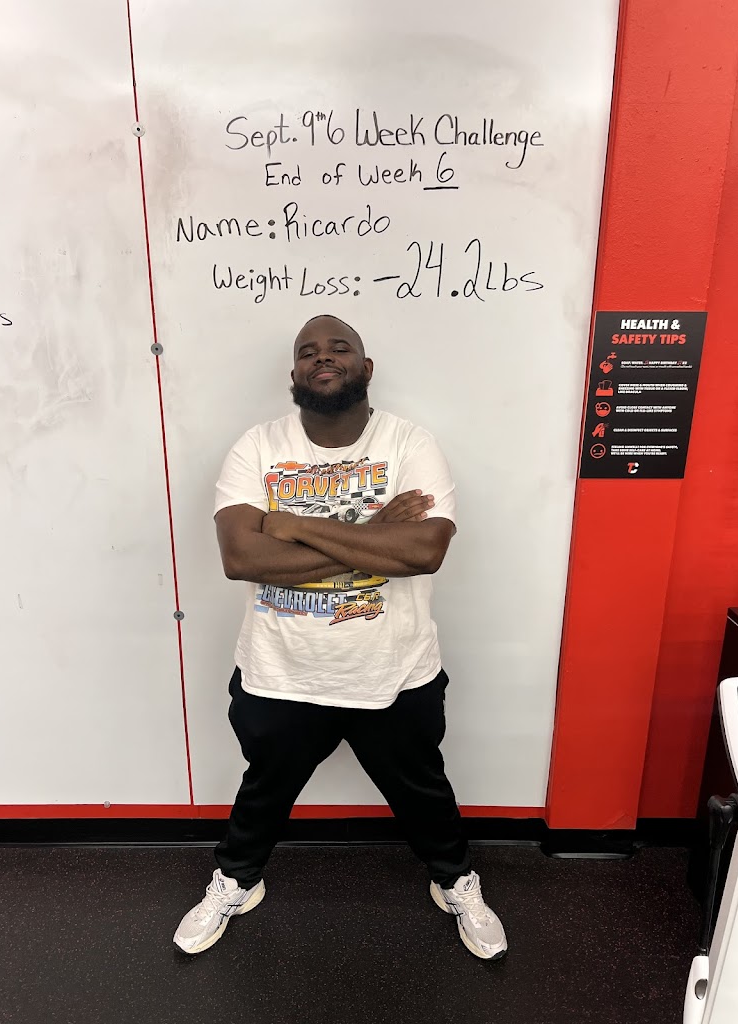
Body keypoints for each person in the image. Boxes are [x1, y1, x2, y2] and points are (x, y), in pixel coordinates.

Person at [173, 314, 507, 961]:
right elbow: (242, 557)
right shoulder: (257, 447)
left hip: (395, 670)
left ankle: (455, 881)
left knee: (423, 792)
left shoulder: (409, 444)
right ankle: (237, 880)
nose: (322, 357)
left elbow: (424, 550)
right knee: (264, 791)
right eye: (308, 352)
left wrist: (291, 524)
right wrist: (375, 534)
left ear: (365, 366)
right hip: (280, 670)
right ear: (294, 373)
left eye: (339, 347)